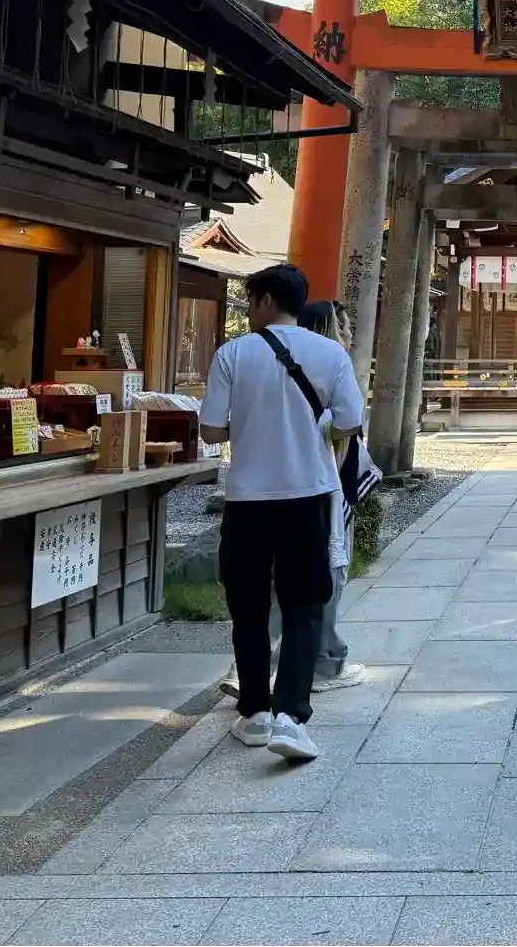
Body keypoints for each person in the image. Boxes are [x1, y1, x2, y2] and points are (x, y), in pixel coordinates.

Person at [198, 263, 360, 762]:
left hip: (248, 499)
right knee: (304, 605)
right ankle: (291, 715)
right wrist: (312, 427)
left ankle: (255, 713)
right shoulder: (331, 353)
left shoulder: (233, 353)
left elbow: (211, 431)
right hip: (308, 496)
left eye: (250, 301)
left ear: (266, 300)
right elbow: (350, 420)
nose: (249, 310)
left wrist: (250, 425)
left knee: (248, 605)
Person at [218, 299, 368, 699]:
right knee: (317, 586)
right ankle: (314, 670)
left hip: (263, 494)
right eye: (344, 325)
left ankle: (254, 674)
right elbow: (348, 423)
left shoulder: (261, 364)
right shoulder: (329, 365)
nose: (349, 334)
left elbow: (218, 427)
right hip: (318, 491)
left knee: (272, 587)